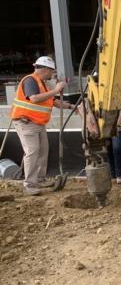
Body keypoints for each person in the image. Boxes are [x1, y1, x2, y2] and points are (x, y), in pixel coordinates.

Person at [11, 56, 78, 196]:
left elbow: (53, 101)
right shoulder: (30, 80)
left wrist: (71, 106)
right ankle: (30, 184)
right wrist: (55, 90)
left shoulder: (42, 83)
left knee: (43, 151)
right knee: (32, 152)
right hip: (26, 122)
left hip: (38, 123)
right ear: (45, 69)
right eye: (51, 71)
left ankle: (40, 179)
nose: (52, 74)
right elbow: (34, 98)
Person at [107, 106, 121, 184]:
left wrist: (116, 126)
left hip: (119, 129)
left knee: (117, 149)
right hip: (106, 128)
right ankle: (113, 175)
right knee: (109, 151)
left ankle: (120, 175)